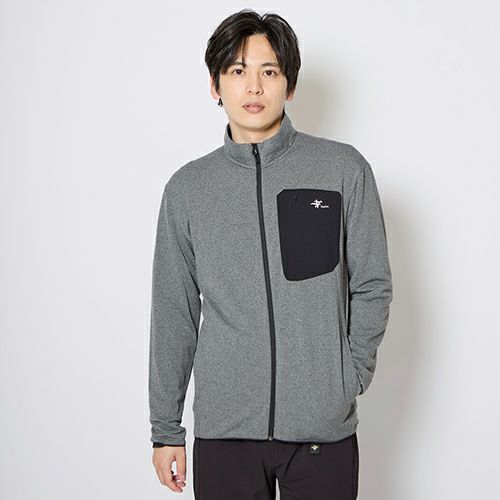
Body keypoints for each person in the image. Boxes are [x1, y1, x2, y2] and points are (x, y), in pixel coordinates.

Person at [149, 8, 393, 499]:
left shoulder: (342, 170)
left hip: (321, 429)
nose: (254, 87)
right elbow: (174, 312)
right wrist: (165, 428)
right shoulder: (188, 190)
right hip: (226, 431)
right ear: (215, 85)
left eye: (269, 71)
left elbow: (372, 283)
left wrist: (347, 376)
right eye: (238, 70)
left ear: (290, 84)